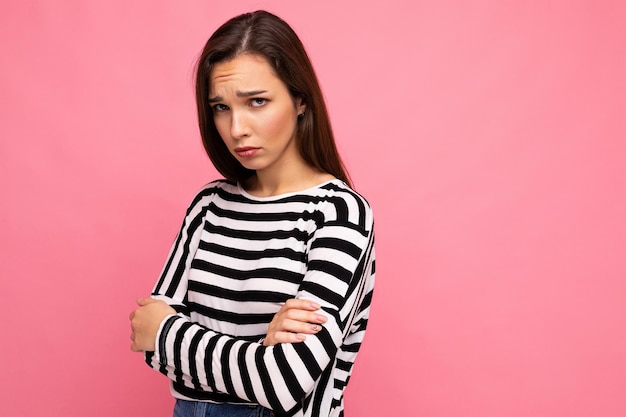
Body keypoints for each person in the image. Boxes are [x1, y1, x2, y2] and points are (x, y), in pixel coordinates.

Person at [129, 10, 375, 417]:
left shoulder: (339, 213)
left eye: (257, 101)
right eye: (221, 107)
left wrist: (170, 334)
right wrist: (259, 351)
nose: (237, 127)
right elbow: (146, 336)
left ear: (300, 99)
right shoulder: (209, 204)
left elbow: (286, 381)